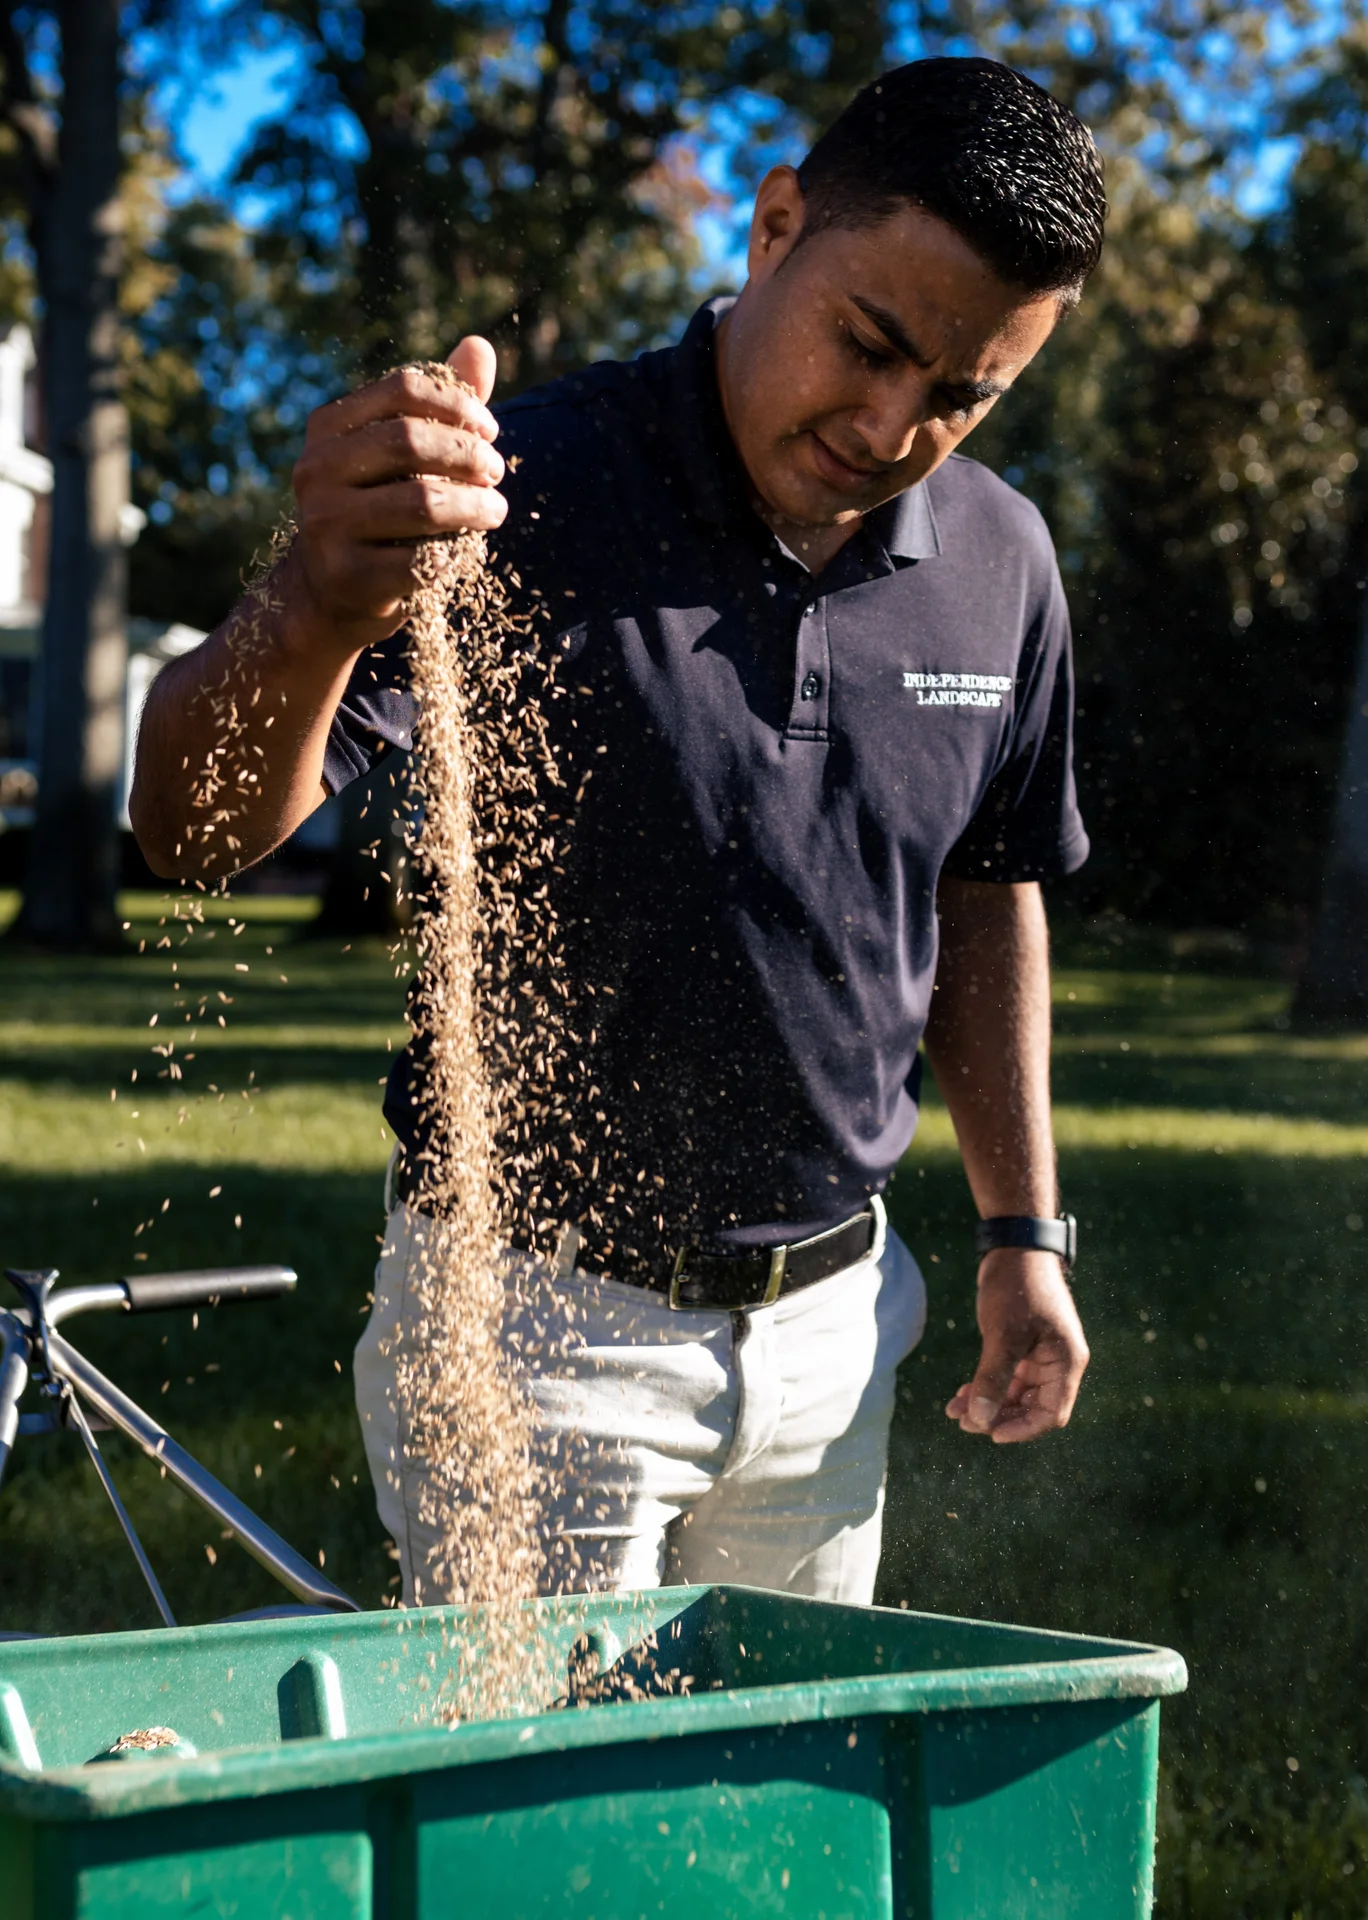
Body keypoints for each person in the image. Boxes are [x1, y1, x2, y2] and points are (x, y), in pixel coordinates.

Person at [131, 56, 1101, 1608]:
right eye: (872, 343)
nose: (890, 424)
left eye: (962, 394)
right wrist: (316, 603)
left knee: (765, 1816)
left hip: (837, 1327)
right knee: (547, 1834)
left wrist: (1022, 1232)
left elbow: (989, 891)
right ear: (775, 226)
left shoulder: (1002, 560)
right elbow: (188, 835)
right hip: (536, 1324)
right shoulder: (521, 486)